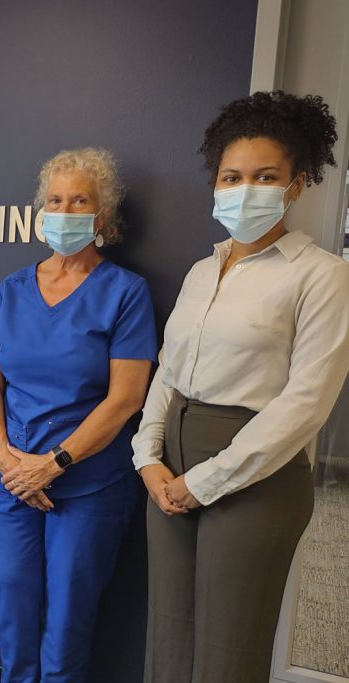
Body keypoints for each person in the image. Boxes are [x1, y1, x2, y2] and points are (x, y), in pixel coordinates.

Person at [132, 91, 349, 683]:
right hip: (169, 468)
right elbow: (167, 372)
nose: (245, 188)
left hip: (254, 475)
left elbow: (306, 403)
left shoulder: (323, 276)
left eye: (265, 176)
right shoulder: (203, 271)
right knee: (168, 638)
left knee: (229, 654)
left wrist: (203, 482)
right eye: (232, 176)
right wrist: (147, 456)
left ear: (297, 183)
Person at [0, 148, 157, 682]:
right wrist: (7, 460)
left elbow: (127, 397)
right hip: (11, 476)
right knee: (11, 597)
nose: (65, 209)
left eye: (80, 200)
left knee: (68, 613)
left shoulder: (125, 293)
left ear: (100, 217)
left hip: (87, 480)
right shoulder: (12, 289)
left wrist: (52, 464)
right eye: (55, 199)